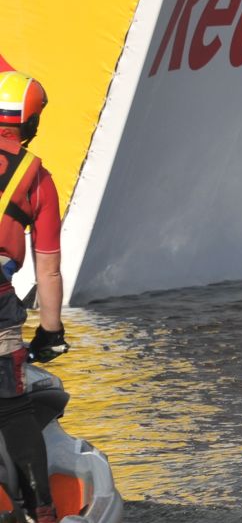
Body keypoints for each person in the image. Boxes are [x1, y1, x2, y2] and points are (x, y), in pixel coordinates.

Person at [0, 72, 67, 523]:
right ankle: (41, 511)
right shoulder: (37, 179)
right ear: (33, 125)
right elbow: (48, 269)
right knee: (15, 410)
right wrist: (50, 331)